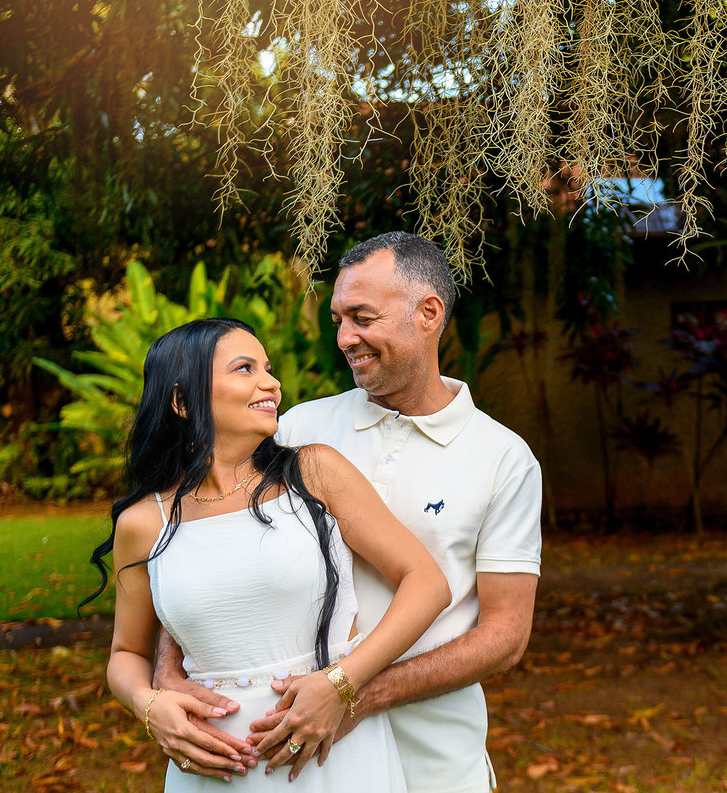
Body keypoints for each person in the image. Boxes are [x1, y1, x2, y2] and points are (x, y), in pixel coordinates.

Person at [154, 232, 543, 792]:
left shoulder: (504, 458)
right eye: (338, 319)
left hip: (433, 756)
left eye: (362, 317)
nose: (344, 338)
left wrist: (355, 692)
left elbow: (506, 633)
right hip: (296, 757)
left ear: (428, 314)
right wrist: (168, 668)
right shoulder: (296, 430)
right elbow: (204, 544)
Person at [92, 317, 450, 790]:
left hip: (332, 754)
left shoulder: (314, 472)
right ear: (182, 400)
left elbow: (426, 583)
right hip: (213, 768)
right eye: (244, 368)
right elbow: (126, 652)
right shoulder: (143, 522)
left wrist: (341, 684)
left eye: (268, 367)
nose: (272, 382)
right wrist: (149, 706)